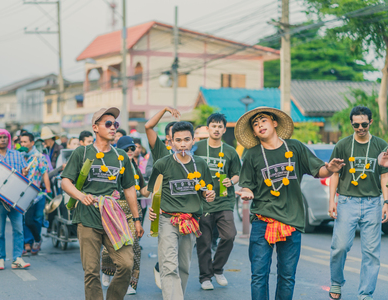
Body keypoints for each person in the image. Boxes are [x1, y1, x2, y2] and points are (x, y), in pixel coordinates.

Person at [235, 107, 345, 300]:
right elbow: (247, 186)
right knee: (259, 276)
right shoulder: (252, 155)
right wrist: (246, 193)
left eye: (263, 120)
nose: (260, 125)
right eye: (255, 124)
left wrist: (330, 169)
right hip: (263, 221)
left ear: (274, 122)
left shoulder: (294, 147)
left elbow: (319, 170)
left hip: (291, 222)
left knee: (287, 277)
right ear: (253, 132)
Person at [61, 107, 144, 300]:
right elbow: (66, 181)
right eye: (108, 124)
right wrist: (81, 196)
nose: (113, 127)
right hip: (88, 217)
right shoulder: (82, 152)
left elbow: (130, 188)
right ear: (95, 128)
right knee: (91, 270)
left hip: (113, 217)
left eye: (115, 124)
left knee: (126, 263)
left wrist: (137, 219)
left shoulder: (121, 156)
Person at [148, 121, 215, 299]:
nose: (182, 144)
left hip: (191, 221)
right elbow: (153, 191)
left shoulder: (200, 164)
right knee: (169, 265)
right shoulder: (162, 164)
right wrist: (152, 210)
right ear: (170, 142)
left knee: (184, 266)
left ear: (193, 140)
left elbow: (207, 191)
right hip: (167, 220)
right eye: (178, 140)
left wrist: (210, 195)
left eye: (186, 139)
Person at [328, 106, 388, 300]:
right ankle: (336, 282)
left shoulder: (381, 145)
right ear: (351, 124)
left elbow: (385, 176)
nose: (360, 128)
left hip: (373, 203)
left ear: (370, 122)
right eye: (356, 125)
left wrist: (386, 202)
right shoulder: (343, 145)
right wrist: (332, 200)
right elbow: (335, 173)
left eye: (364, 124)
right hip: (347, 201)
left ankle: (365, 293)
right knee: (340, 246)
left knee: (371, 252)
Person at [193, 113, 241, 290]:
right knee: (203, 241)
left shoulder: (230, 151)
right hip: (202, 202)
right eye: (213, 126)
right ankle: (205, 277)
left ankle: (217, 268)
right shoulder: (196, 148)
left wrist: (231, 181)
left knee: (229, 235)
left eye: (220, 126)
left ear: (224, 129)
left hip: (224, 200)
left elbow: (237, 173)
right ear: (208, 128)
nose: (217, 129)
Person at [102, 136, 151, 295]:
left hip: (133, 210)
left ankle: (132, 283)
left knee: (134, 245)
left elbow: (143, 190)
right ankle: (108, 271)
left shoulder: (136, 168)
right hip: (114, 209)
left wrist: (156, 182)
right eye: (127, 149)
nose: (131, 151)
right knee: (111, 244)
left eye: (133, 148)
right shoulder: (113, 166)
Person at [0, 129, 30, 270]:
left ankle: (17, 258)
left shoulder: (18, 155)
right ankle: (0, 259)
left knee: (19, 230)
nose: (3, 139)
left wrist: (25, 174)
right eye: (0, 137)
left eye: (5, 137)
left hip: (15, 201)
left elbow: (24, 179)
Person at [144, 106, 180, 288]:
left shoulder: (191, 157)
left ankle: (162, 268)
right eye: (176, 136)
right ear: (168, 138)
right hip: (165, 209)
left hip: (187, 214)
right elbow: (148, 127)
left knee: (180, 253)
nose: (181, 141)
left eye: (185, 138)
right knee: (168, 249)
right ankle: (167, 280)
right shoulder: (160, 152)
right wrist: (165, 109)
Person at [20, 132, 51, 255]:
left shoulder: (39, 157)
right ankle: (27, 242)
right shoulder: (19, 155)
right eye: (21, 142)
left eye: (25, 142)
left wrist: (48, 190)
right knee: (25, 220)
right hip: (22, 193)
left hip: (37, 194)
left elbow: (45, 173)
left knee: (37, 219)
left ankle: (36, 241)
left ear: (32, 143)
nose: (22, 144)